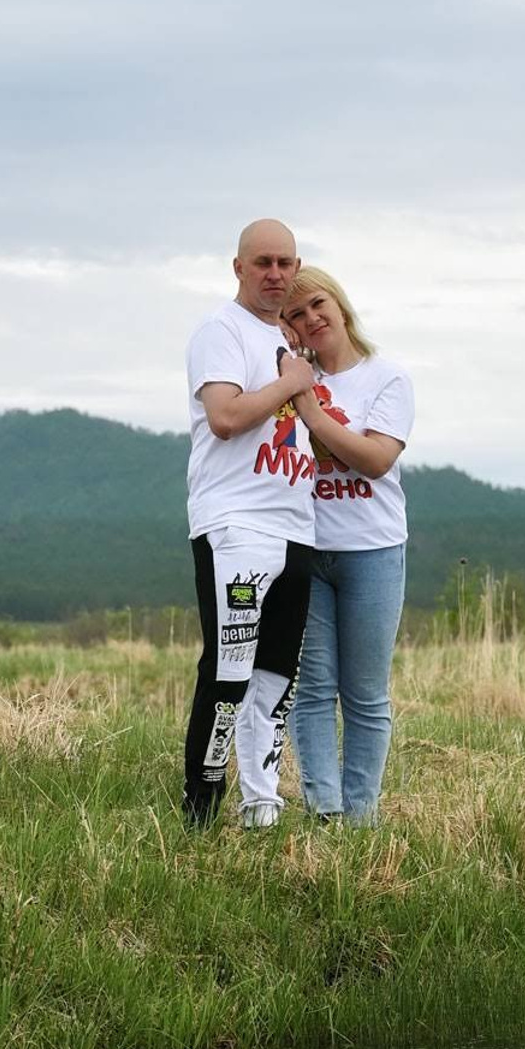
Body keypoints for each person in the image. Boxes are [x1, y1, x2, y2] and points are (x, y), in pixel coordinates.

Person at [183, 219, 319, 828]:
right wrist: (291, 383)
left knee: (275, 677)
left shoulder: (289, 341)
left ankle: (262, 809)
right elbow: (225, 416)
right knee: (229, 673)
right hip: (237, 526)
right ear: (238, 267)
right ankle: (201, 811)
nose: (275, 274)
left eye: (285, 263)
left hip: (296, 529)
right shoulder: (221, 330)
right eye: (262, 262)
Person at [281, 268, 414, 826]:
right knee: (309, 690)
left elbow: (376, 460)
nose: (311, 318)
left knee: (364, 693)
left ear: (338, 303)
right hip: (304, 550)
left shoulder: (387, 379)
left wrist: (310, 410)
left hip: (372, 550)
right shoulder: (286, 377)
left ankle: (361, 820)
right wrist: (287, 371)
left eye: (316, 304)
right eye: (294, 315)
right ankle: (325, 815)